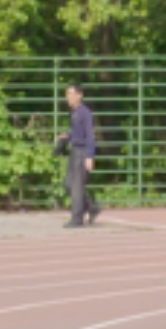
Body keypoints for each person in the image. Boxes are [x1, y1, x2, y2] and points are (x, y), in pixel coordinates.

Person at [57, 86, 102, 228]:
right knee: (69, 184)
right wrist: (68, 136)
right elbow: (77, 133)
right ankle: (91, 206)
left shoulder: (85, 113)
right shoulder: (74, 113)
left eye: (71, 94)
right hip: (75, 150)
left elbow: (89, 135)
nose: (68, 97)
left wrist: (90, 156)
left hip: (82, 152)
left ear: (79, 95)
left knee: (77, 186)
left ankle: (77, 219)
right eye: (67, 94)